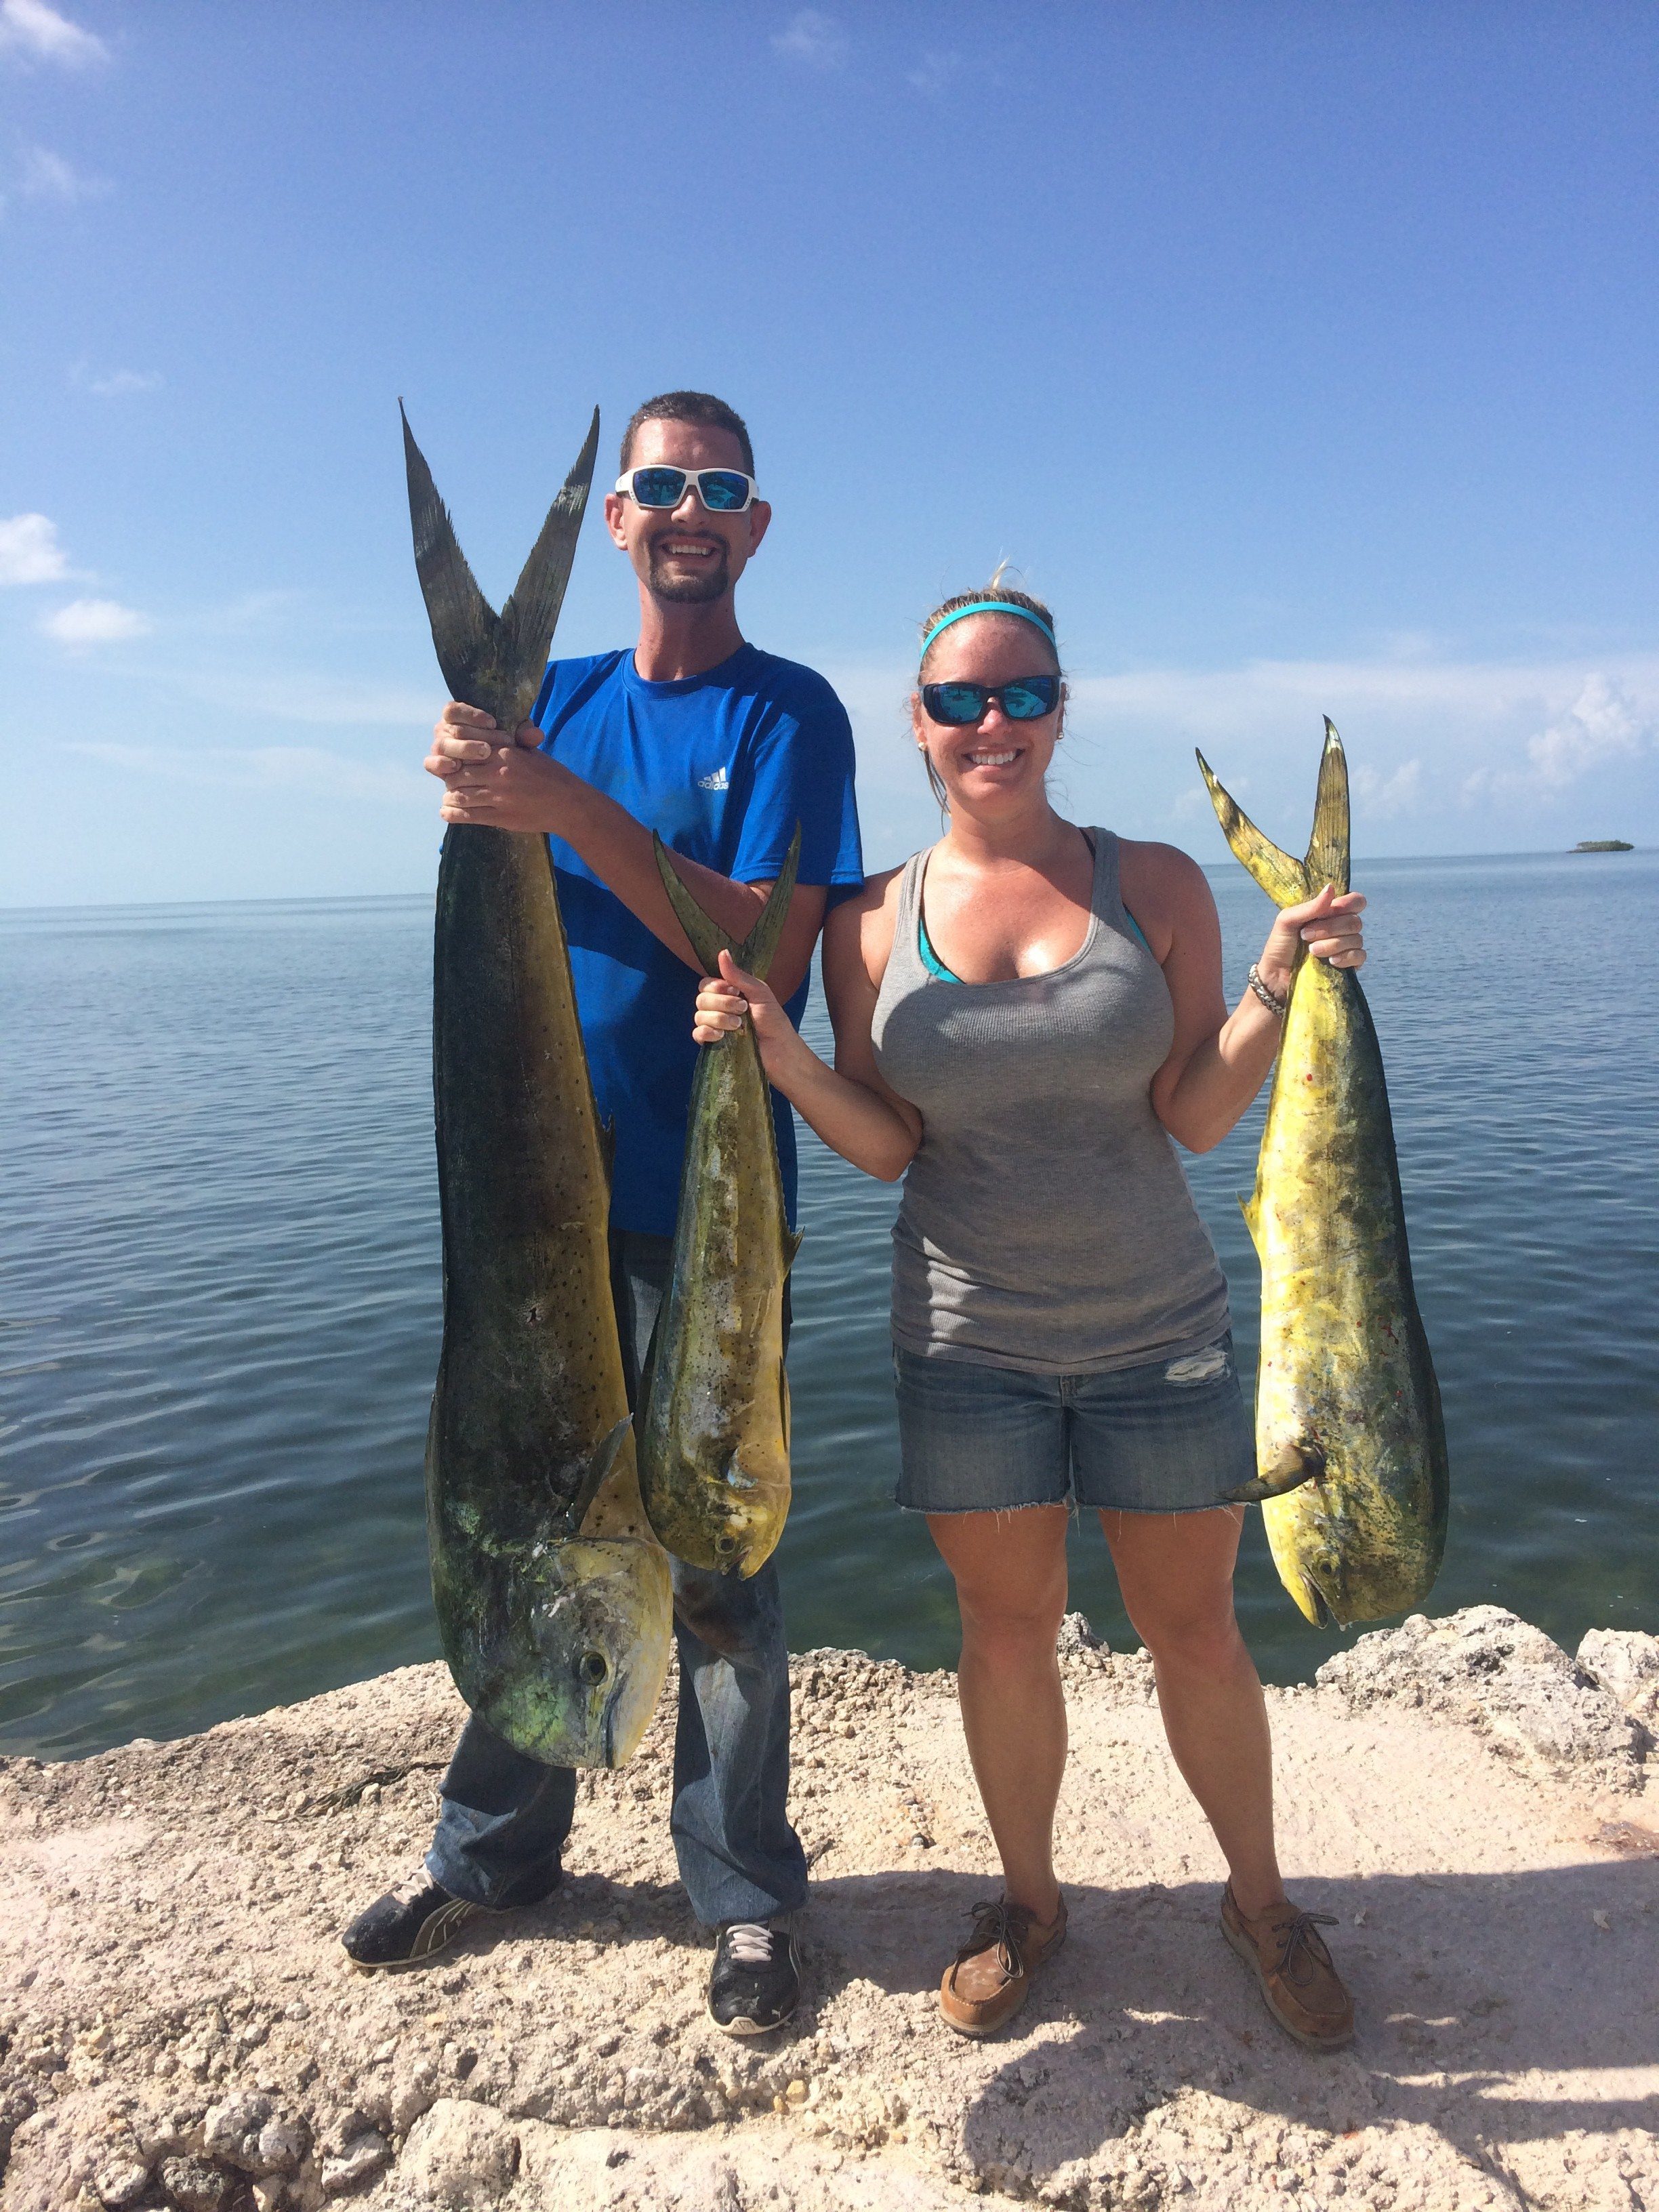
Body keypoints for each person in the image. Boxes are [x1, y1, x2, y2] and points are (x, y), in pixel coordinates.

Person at [691, 583, 1366, 2049]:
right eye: (959, 700)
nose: (990, 722)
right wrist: (782, 1055)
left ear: (1062, 711)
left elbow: (1195, 1115)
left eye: (1021, 694)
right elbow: (889, 1146)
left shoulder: (1158, 884)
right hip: (967, 1344)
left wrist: (1279, 978)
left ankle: (1261, 1903)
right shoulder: (872, 920)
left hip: (1160, 1331)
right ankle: (1032, 1904)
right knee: (1005, 1635)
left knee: (1198, 1632)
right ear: (918, 723)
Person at [342, 391, 863, 2036]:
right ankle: (491, 1856)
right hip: (525, 1210)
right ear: (623, 518)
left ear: (753, 524)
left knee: (716, 1557)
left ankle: (747, 1895)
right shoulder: (549, 699)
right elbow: (485, 860)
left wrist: (566, 811)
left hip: (707, 1217)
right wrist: (480, 777)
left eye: (719, 485)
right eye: (659, 485)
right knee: (526, 1525)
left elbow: (768, 950)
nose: (688, 508)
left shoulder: (792, 715)